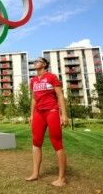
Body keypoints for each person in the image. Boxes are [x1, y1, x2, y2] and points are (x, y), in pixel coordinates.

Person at [25, 57, 69, 187]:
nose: (35, 62)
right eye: (34, 61)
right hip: (38, 113)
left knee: (57, 142)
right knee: (36, 142)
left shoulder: (52, 77)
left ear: (44, 65)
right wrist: (31, 115)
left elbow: (60, 95)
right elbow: (33, 98)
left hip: (52, 111)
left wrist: (64, 114)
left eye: (38, 61)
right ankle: (35, 174)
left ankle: (62, 178)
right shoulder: (33, 81)